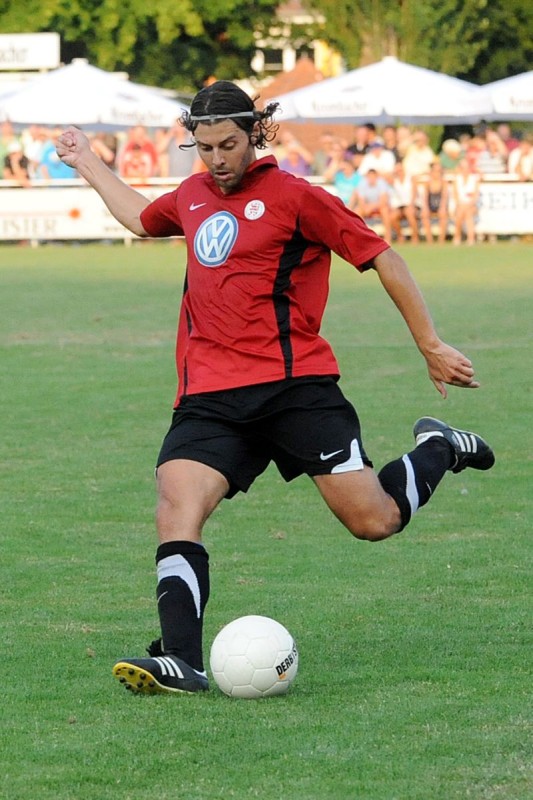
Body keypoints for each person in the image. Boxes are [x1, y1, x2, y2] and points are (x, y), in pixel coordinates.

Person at [56, 80, 495, 697]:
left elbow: (382, 257)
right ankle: (182, 659)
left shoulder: (297, 197)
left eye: (228, 144)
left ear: (255, 134)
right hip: (210, 394)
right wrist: (88, 162)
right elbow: (138, 217)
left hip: (296, 389)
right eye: (203, 146)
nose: (215, 158)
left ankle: (441, 448)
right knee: (176, 503)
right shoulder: (191, 195)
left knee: (374, 521)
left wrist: (430, 344)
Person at [349, 168, 393, 242]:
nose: (371, 179)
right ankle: (361, 237)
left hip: (379, 206)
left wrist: (371, 207)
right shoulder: (362, 184)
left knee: (384, 210)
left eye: (373, 177)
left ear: (376, 177)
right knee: (357, 212)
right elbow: (361, 201)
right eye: (369, 177)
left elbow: (383, 201)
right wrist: (366, 208)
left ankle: (388, 237)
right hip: (367, 206)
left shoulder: (382, 183)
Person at [419, 161, 450, 244]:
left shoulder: (444, 183)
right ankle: (430, 240)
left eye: (439, 171)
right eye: (435, 171)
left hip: (440, 205)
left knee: (443, 214)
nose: (437, 173)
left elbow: (444, 198)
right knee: (424, 214)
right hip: (430, 205)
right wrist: (425, 208)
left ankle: (441, 240)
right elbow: (425, 198)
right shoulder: (428, 183)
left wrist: (442, 208)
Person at [452, 158, 481, 246]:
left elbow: (475, 195)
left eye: (467, 167)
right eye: (463, 168)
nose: (465, 170)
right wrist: (460, 204)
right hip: (459, 205)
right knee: (461, 212)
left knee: (467, 212)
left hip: (471, 205)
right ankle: (466, 238)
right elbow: (455, 195)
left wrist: (470, 203)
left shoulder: (474, 179)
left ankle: (462, 237)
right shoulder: (457, 179)